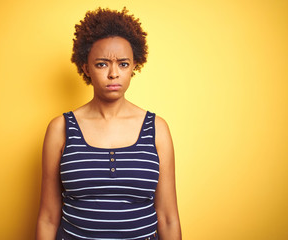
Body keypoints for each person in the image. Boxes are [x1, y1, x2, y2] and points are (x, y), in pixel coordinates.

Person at [36, 7, 181, 240]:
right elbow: (48, 217)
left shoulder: (157, 129)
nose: (113, 73)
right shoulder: (60, 129)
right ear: (86, 69)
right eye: (102, 64)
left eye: (123, 64)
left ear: (134, 66)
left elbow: (168, 218)